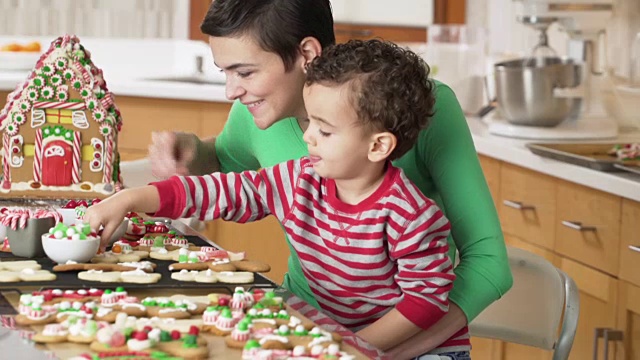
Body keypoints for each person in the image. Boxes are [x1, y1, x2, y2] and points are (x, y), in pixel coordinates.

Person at [147, 0, 512, 358]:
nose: (232, 90)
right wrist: (192, 152)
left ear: (306, 53)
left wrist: (376, 350)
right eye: (224, 72)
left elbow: (487, 261)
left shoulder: (426, 108)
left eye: (244, 72)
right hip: (306, 327)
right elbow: (229, 172)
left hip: (398, 337)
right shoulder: (255, 110)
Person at [86, 39, 470, 356]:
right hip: (337, 340)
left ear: (378, 145)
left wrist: (352, 345)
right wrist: (131, 198)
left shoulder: (412, 216)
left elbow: (426, 303)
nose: (308, 138)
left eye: (325, 130)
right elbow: (220, 191)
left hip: (419, 350)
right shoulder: (299, 179)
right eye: (310, 123)